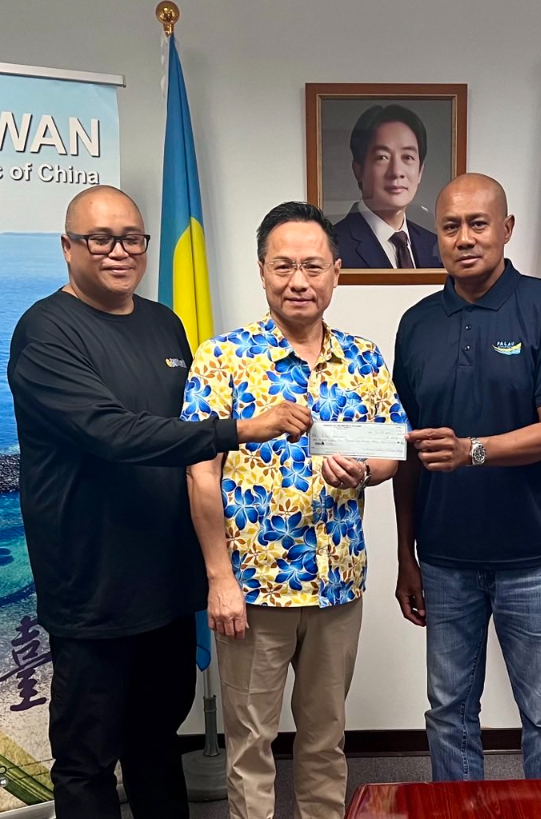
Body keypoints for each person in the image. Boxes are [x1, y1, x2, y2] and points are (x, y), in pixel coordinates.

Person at [7, 185, 311, 819]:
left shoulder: (163, 323)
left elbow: (186, 440)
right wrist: (239, 429)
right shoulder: (45, 332)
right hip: (92, 583)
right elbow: (110, 432)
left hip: (166, 579)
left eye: (132, 239)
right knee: (88, 755)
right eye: (100, 239)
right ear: (68, 247)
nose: (119, 252)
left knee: (156, 739)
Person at [184, 201, 403, 818]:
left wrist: (364, 470)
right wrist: (219, 579)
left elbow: (391, 450)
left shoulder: (363, 358)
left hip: (338, 585)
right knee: (250, 745)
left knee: (325, 738)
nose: (298, 281)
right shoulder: (223, 358)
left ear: (336, 271)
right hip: (254, 589)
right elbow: (199, 473)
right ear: (261, 271)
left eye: (312, 266)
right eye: (283, 266)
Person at [391, 173, 541, 781]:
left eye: (478, 224)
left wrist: (472, 450)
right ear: (436, 237)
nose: (465, 238)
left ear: (506, 228)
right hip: (444, 560)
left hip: (535, 558)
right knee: (448, 712)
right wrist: (405, 555)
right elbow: (407, 452)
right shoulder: (416, 324)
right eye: (450, 226)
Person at [333, 104, 440, 269]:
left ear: (420, 171)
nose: (396, 172)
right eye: (382, 157)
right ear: (358, 170)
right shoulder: (332, 246)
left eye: (408, 157)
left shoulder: (435, 246)